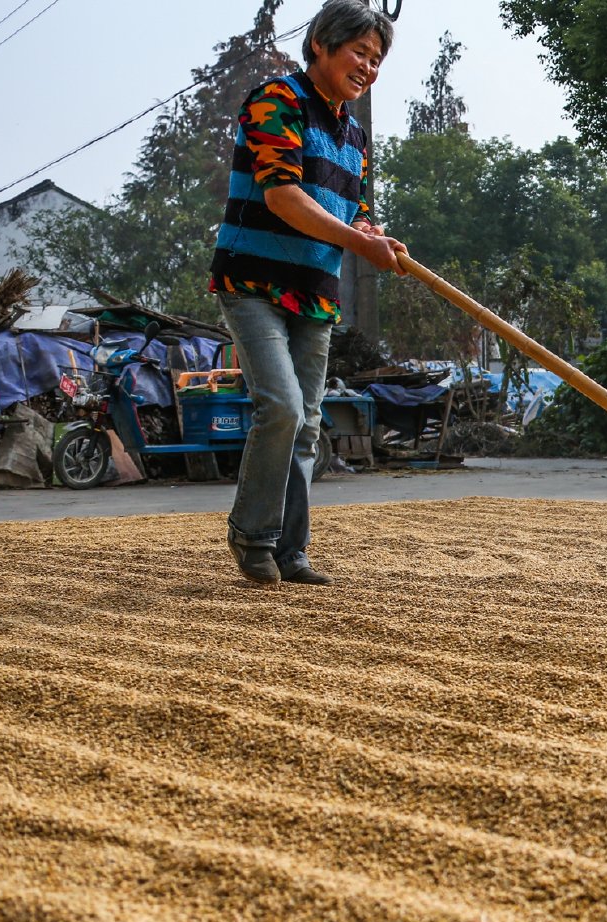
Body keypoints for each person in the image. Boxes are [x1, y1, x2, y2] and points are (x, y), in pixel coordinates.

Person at [209, 0, 407, 586]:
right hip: (253, 282)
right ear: (320, 43)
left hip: (315, 293)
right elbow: (282, 196)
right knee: (283, 407)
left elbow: (356, 212)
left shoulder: (354, 135)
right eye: (359, 52)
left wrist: (373, 236)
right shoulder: (278, 101)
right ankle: (252, 536)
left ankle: (291, 551)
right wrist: (357, 240)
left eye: (376, 59)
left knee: (309, 423)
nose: (368, 67)